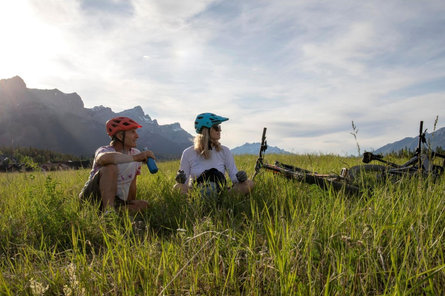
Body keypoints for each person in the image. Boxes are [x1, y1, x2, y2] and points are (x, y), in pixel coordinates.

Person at [79, 116, 155, 213]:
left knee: (144, 205)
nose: (137, 136)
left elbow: (132, 183)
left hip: (115, 200)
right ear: (120, 136)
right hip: (91, 197)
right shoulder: (104, 150)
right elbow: (102, 159)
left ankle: (109, 213)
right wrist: (136, 158)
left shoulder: (136, 152)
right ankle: (109, 214)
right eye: (132, 132)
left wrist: (129, 203)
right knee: (110, 167)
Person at [173, 112, 254, 196]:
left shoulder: (225, 151)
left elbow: (234, 178)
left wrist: (241, 178)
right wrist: (180, 180)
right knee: (177, 187)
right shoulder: (188, 153)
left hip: (221, 193)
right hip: (197, 193)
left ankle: (222, 201)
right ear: (206, 130)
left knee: (249, 183)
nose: (220, 130)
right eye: (217, 127)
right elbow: (184, 183)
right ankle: (198, 202)